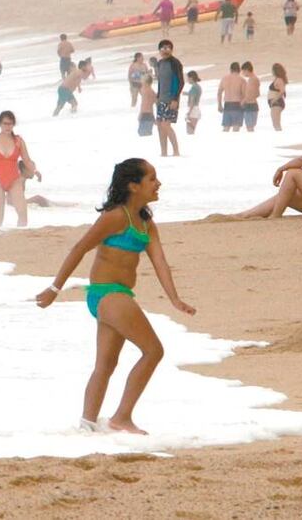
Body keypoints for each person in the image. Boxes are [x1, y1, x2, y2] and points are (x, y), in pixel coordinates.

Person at [35, 159, 195, 434]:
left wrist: (174, 299)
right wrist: (54, 290)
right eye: (152, 179)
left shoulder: (145, 222)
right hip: (107, 294)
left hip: (117, 296)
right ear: (134, 186)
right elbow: (79, 249)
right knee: (153, 351)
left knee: (106, 364)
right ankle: (121, 418)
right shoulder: (115, 217)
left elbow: (160, 262)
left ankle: (86, 425)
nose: (158, 184)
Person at [0, 111, 40, 228]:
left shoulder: (18, 141)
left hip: (14, 181)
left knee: (23, 214)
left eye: (10, 124)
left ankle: (19, 236)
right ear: (0, 124)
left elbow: (27, 160)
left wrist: (35, 171)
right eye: (5, 123)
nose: (8, 126)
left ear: (13, 124)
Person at [154, 39, 184, 157]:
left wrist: (175, 99)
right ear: (159, 50)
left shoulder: (175, 63)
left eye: (168, 48)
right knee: (160, 126)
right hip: (161, 99)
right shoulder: (159, 63)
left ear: (171, 50)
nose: (165, 50)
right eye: (163, 48)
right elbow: (160, 82)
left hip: (171, 99)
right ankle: (164, 153)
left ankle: (176, 151)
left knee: (166, 125)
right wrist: (157, 96)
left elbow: (180, 82)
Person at [216, 61, 245, 132]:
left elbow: (219, 93)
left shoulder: (224, 78)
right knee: (236, 128)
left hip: (227, 104)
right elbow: (245, 94)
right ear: (239, 70)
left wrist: (219, 105)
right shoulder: (241, 80)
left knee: (226, 128)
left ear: (230, 69)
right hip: (238, 105)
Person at [241, 61, 261, 133]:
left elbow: (250, 94)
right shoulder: (255, 79)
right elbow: (257, 94)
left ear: (246, 70)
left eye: (243, 71)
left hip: (250, 105)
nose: (243, 74)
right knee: (251, 126)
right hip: (254, 104)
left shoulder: (252, 79)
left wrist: (243, 101)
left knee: (249, 127)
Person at [268, 63, 288, 132]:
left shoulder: (279, 80)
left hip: (277, 103)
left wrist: (274, 100)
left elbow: (282, 91)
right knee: (275, 123)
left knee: (276, 123)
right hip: (275, 103)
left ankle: (280, 136)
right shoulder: (277, 79)